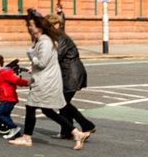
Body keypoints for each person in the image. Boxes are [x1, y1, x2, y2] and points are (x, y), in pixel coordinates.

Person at [41, 9, 95, 148]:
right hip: (67, 74)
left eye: (48, 26)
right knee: (64, 103)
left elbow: (56, 56)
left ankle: (86, 125)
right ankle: (67, 131)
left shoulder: (61, 38)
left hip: (71, 75)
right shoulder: (56, 37)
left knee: (62, 102)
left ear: (56, 25)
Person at [15, 16, 66, 143]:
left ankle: (27, 137)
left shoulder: (46, 42)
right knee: (47, 110)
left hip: (45, 81)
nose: (29, 27)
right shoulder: (40, 41)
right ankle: (76, 132)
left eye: (31, 25)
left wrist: (31, 55)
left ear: (39, 27)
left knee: (31, 106)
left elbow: (42, 63)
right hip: (43, 79)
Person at [0, 52, 26, 140]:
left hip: (9, 99)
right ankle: (14, 131)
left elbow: (17, 81)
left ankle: (14, 127)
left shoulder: (5, 73)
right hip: (5, 99)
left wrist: (28, 83)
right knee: (6, 115)